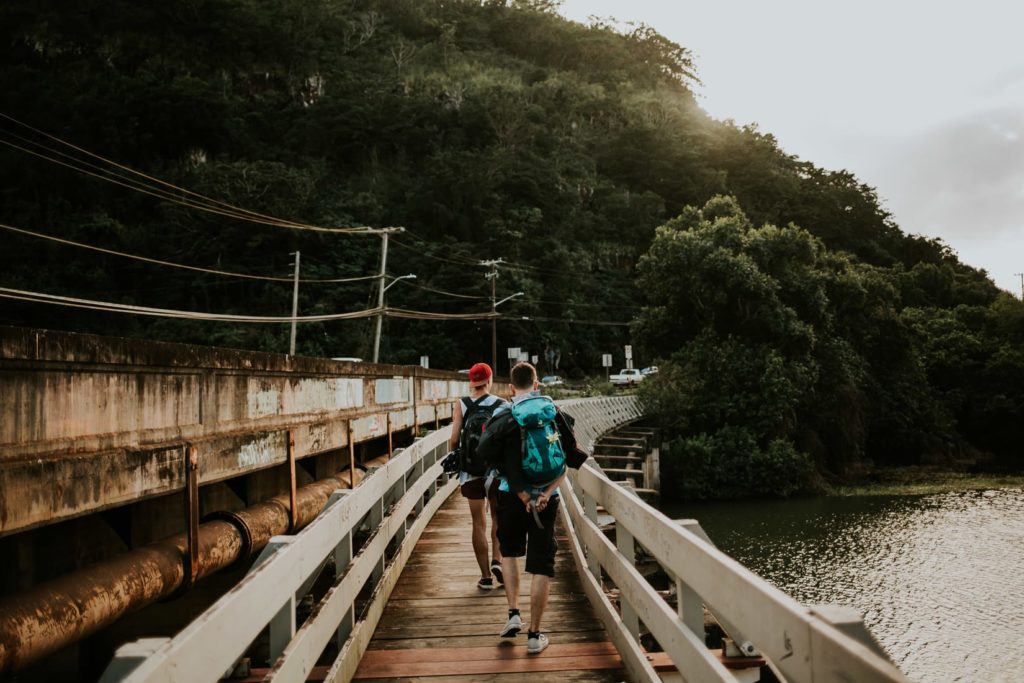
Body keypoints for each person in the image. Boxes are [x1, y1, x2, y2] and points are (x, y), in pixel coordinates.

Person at [476, 361, 586, 655]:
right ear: (537, 385)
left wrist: (520, 489)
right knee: (541, 565)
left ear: (511, 388)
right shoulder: (552, 412)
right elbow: (568, 459)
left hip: (510, 496)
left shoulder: (503, 414)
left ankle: (514, 613)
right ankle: (535, 635)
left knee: (510, 553)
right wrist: (545, 492)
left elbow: (483, 452)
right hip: (545, 500)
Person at [449, 362, 505, 590]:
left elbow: (454, 438)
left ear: (471, 382)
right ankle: (497, 561)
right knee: (497, 519)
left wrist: (455, 457)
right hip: (496, 471)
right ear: (489, 380)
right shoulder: (502, 405)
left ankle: (485, 577)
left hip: (471, 472)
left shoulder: (462, 404)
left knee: (478, 523)